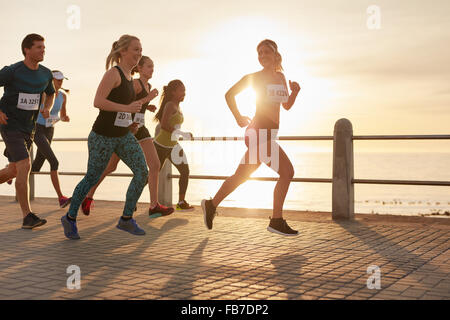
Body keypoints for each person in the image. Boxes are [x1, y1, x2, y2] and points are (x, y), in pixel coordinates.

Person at [201, 39, 301, 236]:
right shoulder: (254, 77)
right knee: (287, 172)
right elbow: (229, 94)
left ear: (275, 54)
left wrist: (295, 92)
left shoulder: (281, 77)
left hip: (268, 134)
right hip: (258, 132)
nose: (263, 56)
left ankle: (211, 205)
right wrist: (238, 116)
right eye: (260, 53)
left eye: (266, 52)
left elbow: (286, 105)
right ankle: (276, 220)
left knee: (241, 176)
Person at [61, 35, 152, 240]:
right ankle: (70, 217)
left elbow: (120, 110)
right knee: (92, 177)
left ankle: (126, 219)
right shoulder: (114, 73)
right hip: (102, 136)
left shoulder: (130, 77)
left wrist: (130, 120)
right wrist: (126, 108)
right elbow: (98, 101)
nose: (139, 53)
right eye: (135, 49)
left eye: (140, 49)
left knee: (142, 172)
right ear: (123, 52)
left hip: (123, 135)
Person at [80, 56, 174, 217]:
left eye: (153, 67)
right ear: (140, 68)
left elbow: (138, 105)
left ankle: (153, 206)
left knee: (155, 164)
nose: (152, 69)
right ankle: (87, 196)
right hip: (127, 129)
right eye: (149, 66)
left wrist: (147, 105)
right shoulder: (135, 84)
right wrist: (148, 98)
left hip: (141, 127)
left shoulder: (148, 85)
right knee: (110, 166)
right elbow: (125, 105)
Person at [0, 33, 55, 229]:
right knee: (25, 164)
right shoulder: (12, 71)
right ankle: (27, 216)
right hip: (10, 124)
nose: (43, 50)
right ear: (27, 50)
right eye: (39, 47)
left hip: (28, 128)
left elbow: (51, 93)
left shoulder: (46, 73)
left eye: (43, 47)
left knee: (14, 170)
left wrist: (47, 107)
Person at [153, 80, 194, 214]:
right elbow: (164, 125)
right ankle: (133, 200)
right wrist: (183, 134)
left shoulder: (177, 106)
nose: (184, 93)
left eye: (185, 90)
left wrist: (182, 134)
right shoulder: (170, 105)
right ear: (173, 92)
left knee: (185, 171)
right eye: (181, 90)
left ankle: (181, 203)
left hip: (173, 145)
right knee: (152, 175)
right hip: (160, 145)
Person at [31, 70, 71, 208]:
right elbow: (33, 109)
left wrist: (65, 118)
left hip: (50, 130)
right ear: (51, 80)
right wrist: (42, 110)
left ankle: (12, 170)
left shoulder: (63, 96)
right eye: (57, 80)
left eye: (61, 80)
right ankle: (61, 198)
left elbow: (63, 114)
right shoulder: (43, 93)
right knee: (54, 162)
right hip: (37, 129)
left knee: (36, 166)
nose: (60, 82)